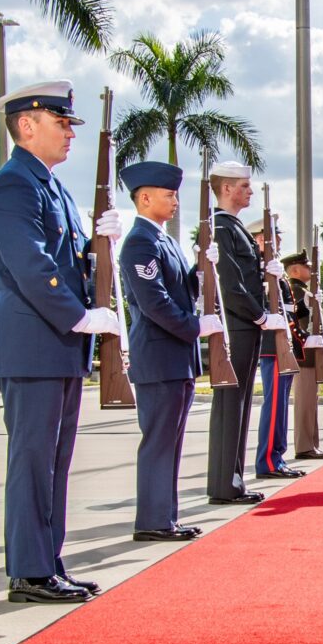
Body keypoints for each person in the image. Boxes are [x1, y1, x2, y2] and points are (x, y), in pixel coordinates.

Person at [0, 80, 122, 603]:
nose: (69, 134)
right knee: (33, 463)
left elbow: (67, 259)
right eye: (61, 123)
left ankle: (47, 561)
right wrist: (78, 315)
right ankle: (29, 571)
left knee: (55, 464)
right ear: (26, 125)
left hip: (55, 347)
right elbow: (33, 266)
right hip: (34, 346)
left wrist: (99, 242)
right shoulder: (13, 185)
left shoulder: (50, 186)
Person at [119, 161, 223, 541]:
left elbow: (183, 293)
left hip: (176, 359)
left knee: (171, 443)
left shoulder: (164, 241)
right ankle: (152, 520)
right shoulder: (139, 243)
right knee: (159, 442)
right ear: (145, 198)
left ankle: (165, 516)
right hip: (160, 357)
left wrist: (201, 272)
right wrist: (196, 328)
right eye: (169, 194)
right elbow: (154, 303)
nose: (175, 201)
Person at [206, 161, 287, 505]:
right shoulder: (222, 228)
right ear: (226, 188)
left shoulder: (233, 227)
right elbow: (230, 283)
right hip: (238, 327)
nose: (249, 191)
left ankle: (232, 480)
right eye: (244, 186)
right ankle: (226, 484)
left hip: (244, 328)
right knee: (230, 405)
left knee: (238, 405)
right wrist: (259, 316)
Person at [245, 218, 307, 480]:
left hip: (284, 344)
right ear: (259, 239)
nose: (278, 240)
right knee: (274, 405)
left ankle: (276, 456)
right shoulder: (255, 269)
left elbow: (287, 313)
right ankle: (268, 460)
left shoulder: (273, 270)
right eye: (272, 236)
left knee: (281, 405)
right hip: (271, 346)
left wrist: (301, 336)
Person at [284, 249, 323, 462]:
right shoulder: (294, 290)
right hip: (302, 353)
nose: (311, 270)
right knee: (305, 401)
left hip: (311, 352)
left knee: (311, 401)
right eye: (307, 266)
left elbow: (319, 321)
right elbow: (296, 318)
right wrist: (310, 301)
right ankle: (304, 446)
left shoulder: (304, 290)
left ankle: (311, 443)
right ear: (295, 269)